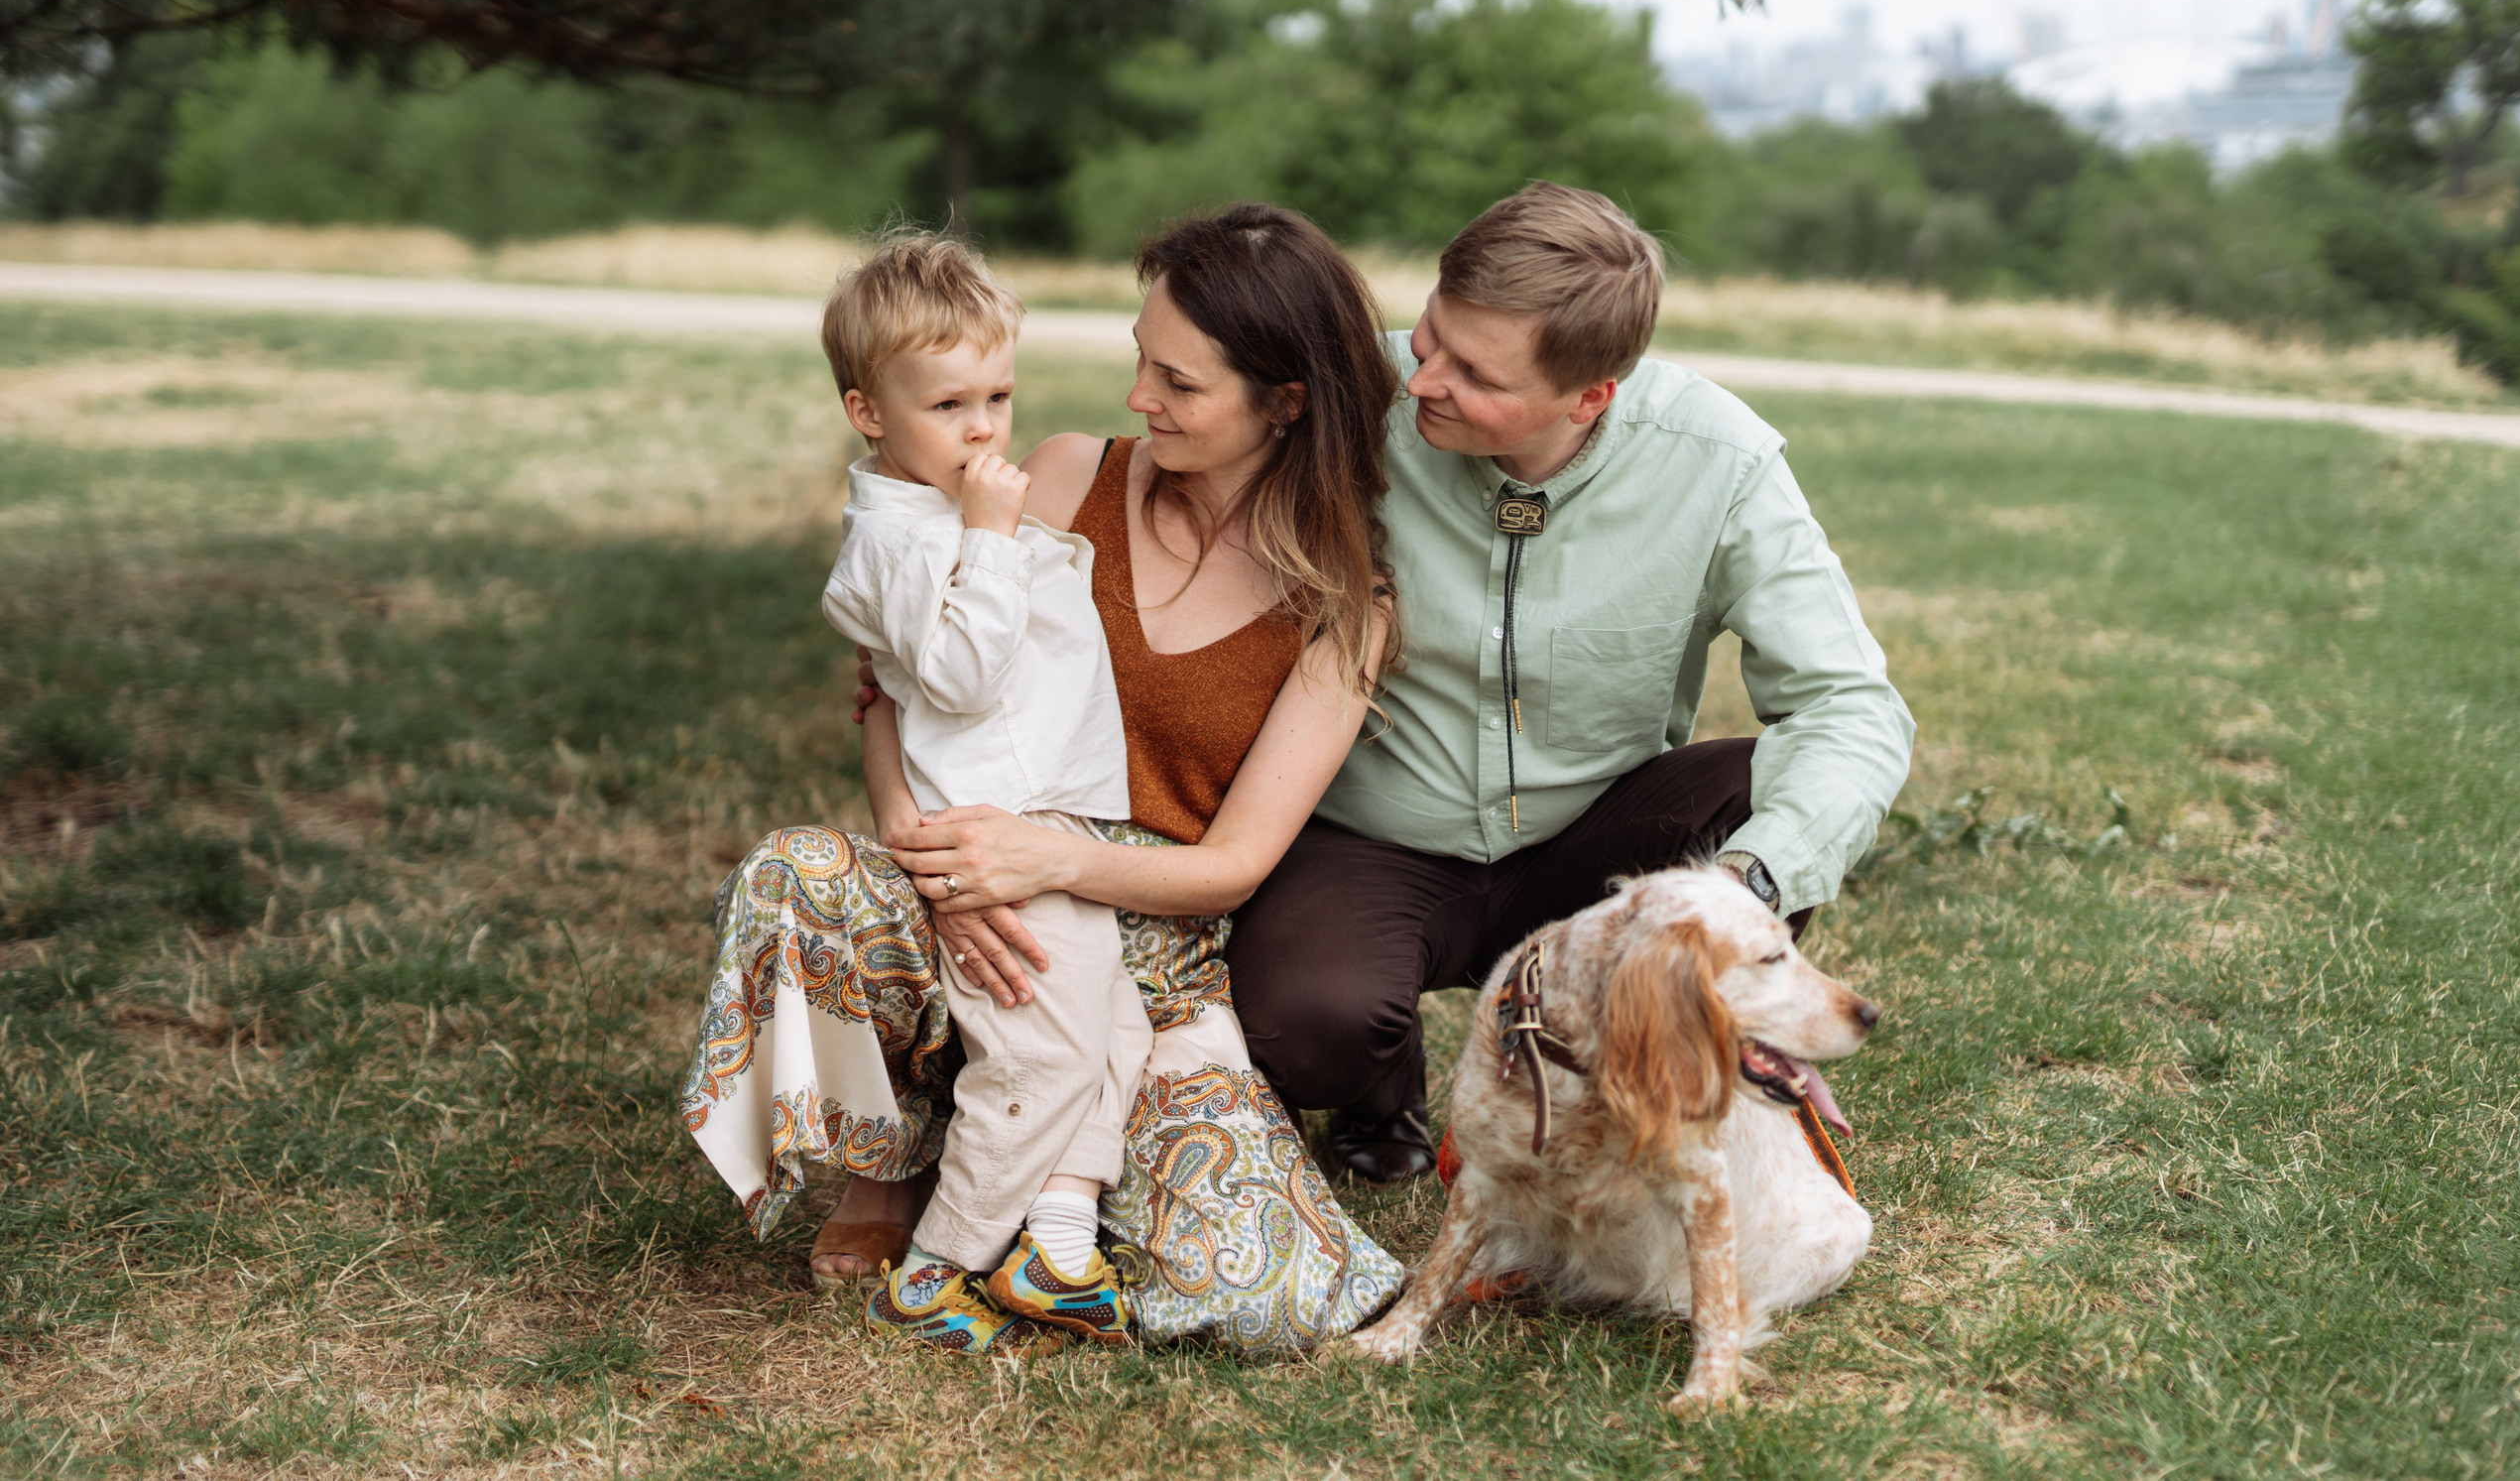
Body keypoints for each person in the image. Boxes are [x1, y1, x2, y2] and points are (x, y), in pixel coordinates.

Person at [680, 203, 1407, 1348]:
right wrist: (939, 866)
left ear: (1286, 401)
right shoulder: (1066, 479)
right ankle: (888, 1177)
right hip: (961, 863)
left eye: (1176, 381)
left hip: (1148, 942)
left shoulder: (1342, 608)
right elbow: (889, 692)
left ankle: (1052, 1215)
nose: (1137, 398)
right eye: (1138, 360)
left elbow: (1235, 868)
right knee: (796, 879)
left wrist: (1054, 860)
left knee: (1259, 1294)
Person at [1221, 181, 1918, 1182]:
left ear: (1592, 396)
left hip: (1596, 846)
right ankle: (1383, 1086)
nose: (1422, 384)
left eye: (1475, 375)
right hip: (1370, 836)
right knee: (1304, 1022)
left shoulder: (1717, 460)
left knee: (1758, 782)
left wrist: (1740, 890)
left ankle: (1632, 1050)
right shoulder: (1349, 398)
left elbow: (1850, 707)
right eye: (1428, 340)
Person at [809, 235, 1149, 1351]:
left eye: (998, 395)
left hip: (1057, 813)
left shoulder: (945, 509)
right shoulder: (904, 543)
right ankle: (940, 1263)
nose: (983, 428)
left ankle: (1056, 1241)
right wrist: (997, 541)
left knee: (1114, 1028)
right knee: (1041, 1054)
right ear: (868, 411)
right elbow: (959, 673)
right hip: (1004, 828)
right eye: (947, 402)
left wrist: (987, 527)